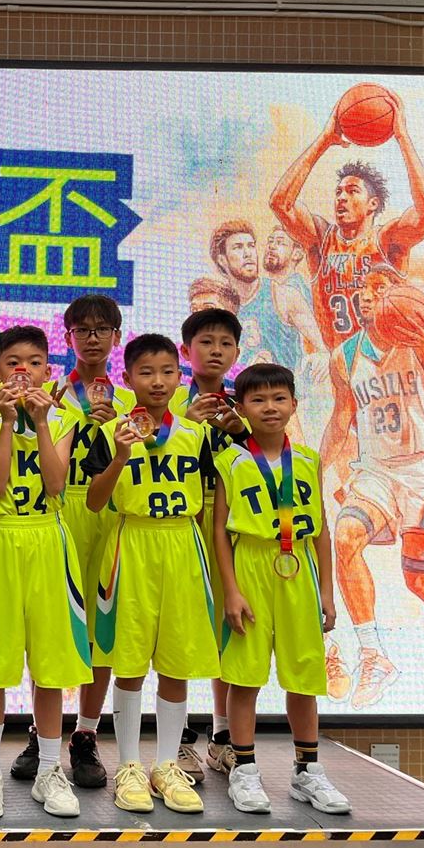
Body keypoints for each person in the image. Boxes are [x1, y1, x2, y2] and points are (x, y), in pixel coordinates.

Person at [319, 265, 424, 708]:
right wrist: (312, 468)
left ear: (399, 297)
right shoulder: (344, 357)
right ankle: (374, 655)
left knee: (417, 579)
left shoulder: (419, 344)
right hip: (377, 471)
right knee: (346, 538)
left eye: (380, 287)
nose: (367, 295)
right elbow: (341, 419)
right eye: (362, 288)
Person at [81, 333, 218, 814]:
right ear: (126, 379)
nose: (157, 381)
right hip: (132, 543)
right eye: (146, 372)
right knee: (130, 662)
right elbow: (95, 501)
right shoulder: (109, 432)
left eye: (166, 372)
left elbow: (209, 501)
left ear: (180, 378)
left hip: (182, 543)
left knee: (177, 662)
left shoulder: (196, 434)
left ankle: (166, 765)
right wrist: (121, 456)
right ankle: (129, 766)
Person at [0, 326, 91, 820]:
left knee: (51, 665)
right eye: (13, 362)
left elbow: (56, 485)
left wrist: (38, 423)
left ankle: (49, 771)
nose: (23, 371)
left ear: (48, 370)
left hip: (47, 540)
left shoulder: (63, 420)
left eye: (34, 362)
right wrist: (6, 422)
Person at [213, 362, 350, 815]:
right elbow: (220, 533)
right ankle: (244, 770)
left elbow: (322, 529)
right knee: (245, 675)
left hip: (298, 567)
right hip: (251, 565)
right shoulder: (230, 461)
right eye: (258, 399)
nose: (269, 407)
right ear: (241, 407)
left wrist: (326, 591)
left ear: (294, 403)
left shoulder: (308, 460)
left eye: (278, 398)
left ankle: (307, 771)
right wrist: (231, 591)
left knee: (304, 674)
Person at [25, 294, 133, 791]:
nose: (92, 338)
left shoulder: (131, 401)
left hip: (110, 516)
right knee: (49, 626)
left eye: (101, 329)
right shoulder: (48, 395)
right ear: (67, 337)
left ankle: (86, 734)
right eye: (82, 330)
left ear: (116, 336)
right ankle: (40, 731)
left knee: (100, 630)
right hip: (59, 511)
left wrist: (113, 427)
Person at [268, 87, 424, 350]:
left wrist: (402, 137)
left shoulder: (387, 239)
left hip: (386, 365)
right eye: (338, 192)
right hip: (341, 363)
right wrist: (325, 139)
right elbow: (280, 203)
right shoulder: (321, 239)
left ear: (373, 204)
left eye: (352, 191)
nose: (341, 197)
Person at [171, 308, 250, 782]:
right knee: (180, 630)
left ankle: (223, 738)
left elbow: (270, 458)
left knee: (229, 626)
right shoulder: (169, 398)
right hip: (181, 521)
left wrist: (241, 430)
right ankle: (179, 741)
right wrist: (184, 421)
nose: (215, 350)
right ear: (186, 351)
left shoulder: (247, 401)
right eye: (205, 342)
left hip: (231, 523)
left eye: (225, 343)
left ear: (237, 351)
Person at [206, 219, 324, 372]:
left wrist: (321, 358)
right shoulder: (219, 307)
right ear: (222, 260)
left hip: (285, 385)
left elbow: (324, 347)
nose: (248, 253)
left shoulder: (283, 296)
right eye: (238, 247)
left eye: (251, 246)